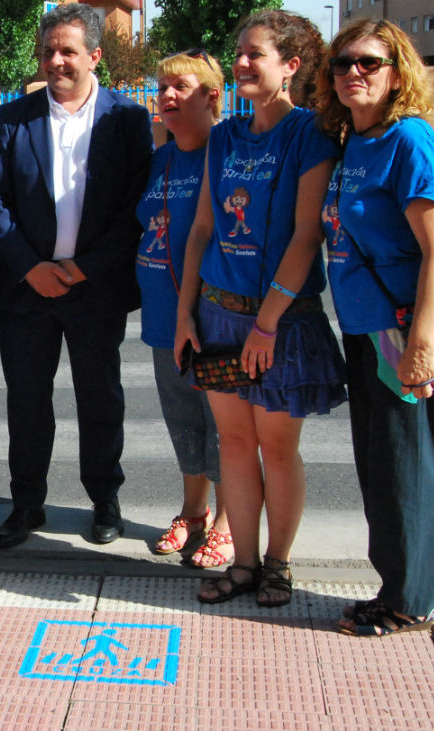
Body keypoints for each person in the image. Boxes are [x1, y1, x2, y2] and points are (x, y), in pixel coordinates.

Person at [173, 10, 345, 607]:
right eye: (239, 53)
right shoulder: (222, 136)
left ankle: (277, 565)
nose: (241, 63)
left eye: (255, 55)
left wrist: (267, 321)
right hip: (219, 318)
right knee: (235, 446)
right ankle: (242, 565)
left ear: (291, 67)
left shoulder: (310, 133)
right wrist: (184, 314)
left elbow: (306, 235)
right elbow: (200, 230)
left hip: (281, 326)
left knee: (277, 448)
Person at [0, 3, 152, 549]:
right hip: (27, 290)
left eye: (68, 51)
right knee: (27, 402)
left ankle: (105, 500)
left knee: (99, 398)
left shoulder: (127, 118)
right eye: (49, 50)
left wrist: (81, 268)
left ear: (94, 55)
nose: (56, 60)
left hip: (94, 289)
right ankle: (27, 503)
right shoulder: (14, 117)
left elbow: (135, 207)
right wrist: (31, 267)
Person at [316, 19, 434, 635]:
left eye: (370, 62)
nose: (354, 71)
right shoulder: (356, 140)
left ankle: (413, 600)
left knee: (406, 466)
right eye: (343, 62)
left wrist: (422, 348)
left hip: (404, 333)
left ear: (397, 72)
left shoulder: (410, 142)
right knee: (382, 465)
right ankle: (405, 581)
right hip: (366, 329)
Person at [137, 51, 231, 568]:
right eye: (162, 87)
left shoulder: (227, 152)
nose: (167, 96)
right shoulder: (161, 158)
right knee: (183, 421)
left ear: (211, 97)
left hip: (210, 317)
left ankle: (228, 519)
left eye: (180, 86)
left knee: (222, 426)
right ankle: (193, 511)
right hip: (161, 314)